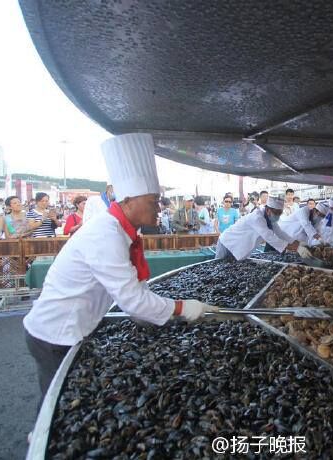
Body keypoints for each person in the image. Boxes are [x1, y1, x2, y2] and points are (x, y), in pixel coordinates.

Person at [23, 133, 214, 412]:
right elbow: (132, 300)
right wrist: (183, 308)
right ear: (128, 201)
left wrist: (156, 313)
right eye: (153, 201)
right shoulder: (106, 234)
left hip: (75, 326)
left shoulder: (123, 230)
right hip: (55, 333)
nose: (159, 208)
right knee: (56, 408)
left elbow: (136, 291)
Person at [216, 196, 296, 260]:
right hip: (227, 243)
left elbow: (280, 232)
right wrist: (289, 246)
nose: (277, 216)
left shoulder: (269, 219)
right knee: (218, 268)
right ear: (268, 210)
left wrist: (295, 243)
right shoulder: (257, 217)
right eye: (276, 213)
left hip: (238, 247)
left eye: (280, 213)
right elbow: (269, 236)